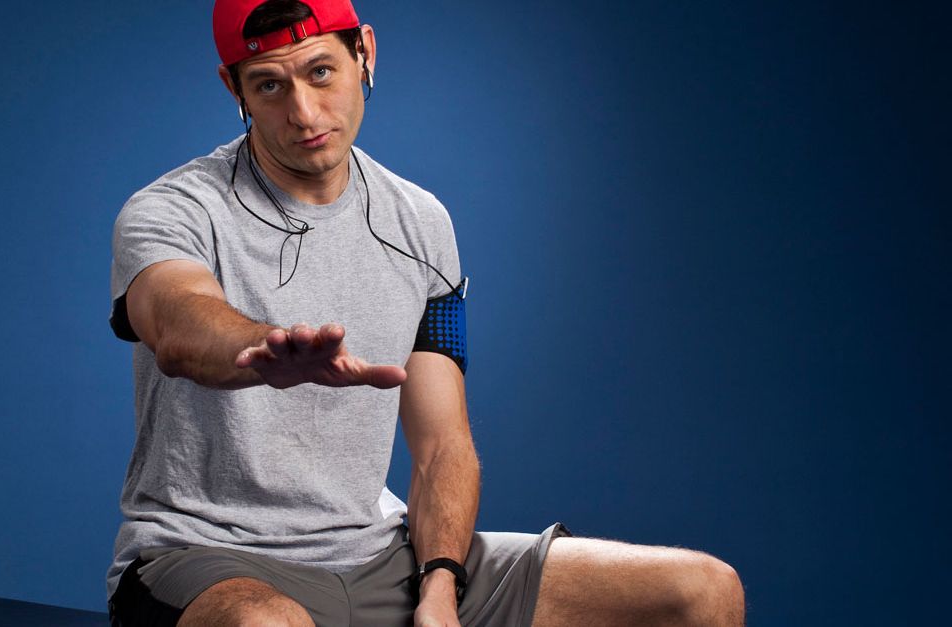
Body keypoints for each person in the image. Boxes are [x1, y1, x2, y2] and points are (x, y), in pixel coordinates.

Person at [105, 1, 746, 625]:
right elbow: (178, 322)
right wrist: (264, 350)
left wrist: (440, 587)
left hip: (382, 557)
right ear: (234, 88)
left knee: (701, 592)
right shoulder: (173, 208)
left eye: (321, 72)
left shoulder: (421, 223)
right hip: (211, 557)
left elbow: (442, 444)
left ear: (365, 53)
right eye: (270, 85)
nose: (303, 112)